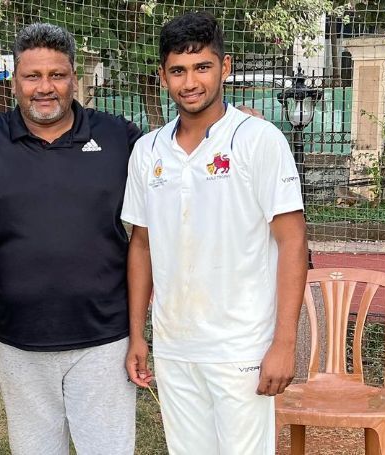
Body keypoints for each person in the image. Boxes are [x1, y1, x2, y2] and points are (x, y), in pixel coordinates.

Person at [122, 12, 308, 454]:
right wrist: (137, 334)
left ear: (225, 68)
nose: (190, 82)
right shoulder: (147, 151)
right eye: (178, 70)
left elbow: (293, 240)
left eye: (202, 67)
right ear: (163, 76)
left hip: (241, 346)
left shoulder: (258, 139)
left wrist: (284, 343)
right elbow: (142, 245)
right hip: (175, 345)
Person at [0, 23, 141, 455]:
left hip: (105, 342)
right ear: (14, 80)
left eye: (56, 75)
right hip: (21, 343)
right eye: (32, 76)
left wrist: (228, 124)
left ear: (74, 77)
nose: (45, 87)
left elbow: (178, 158)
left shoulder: (118, 138)